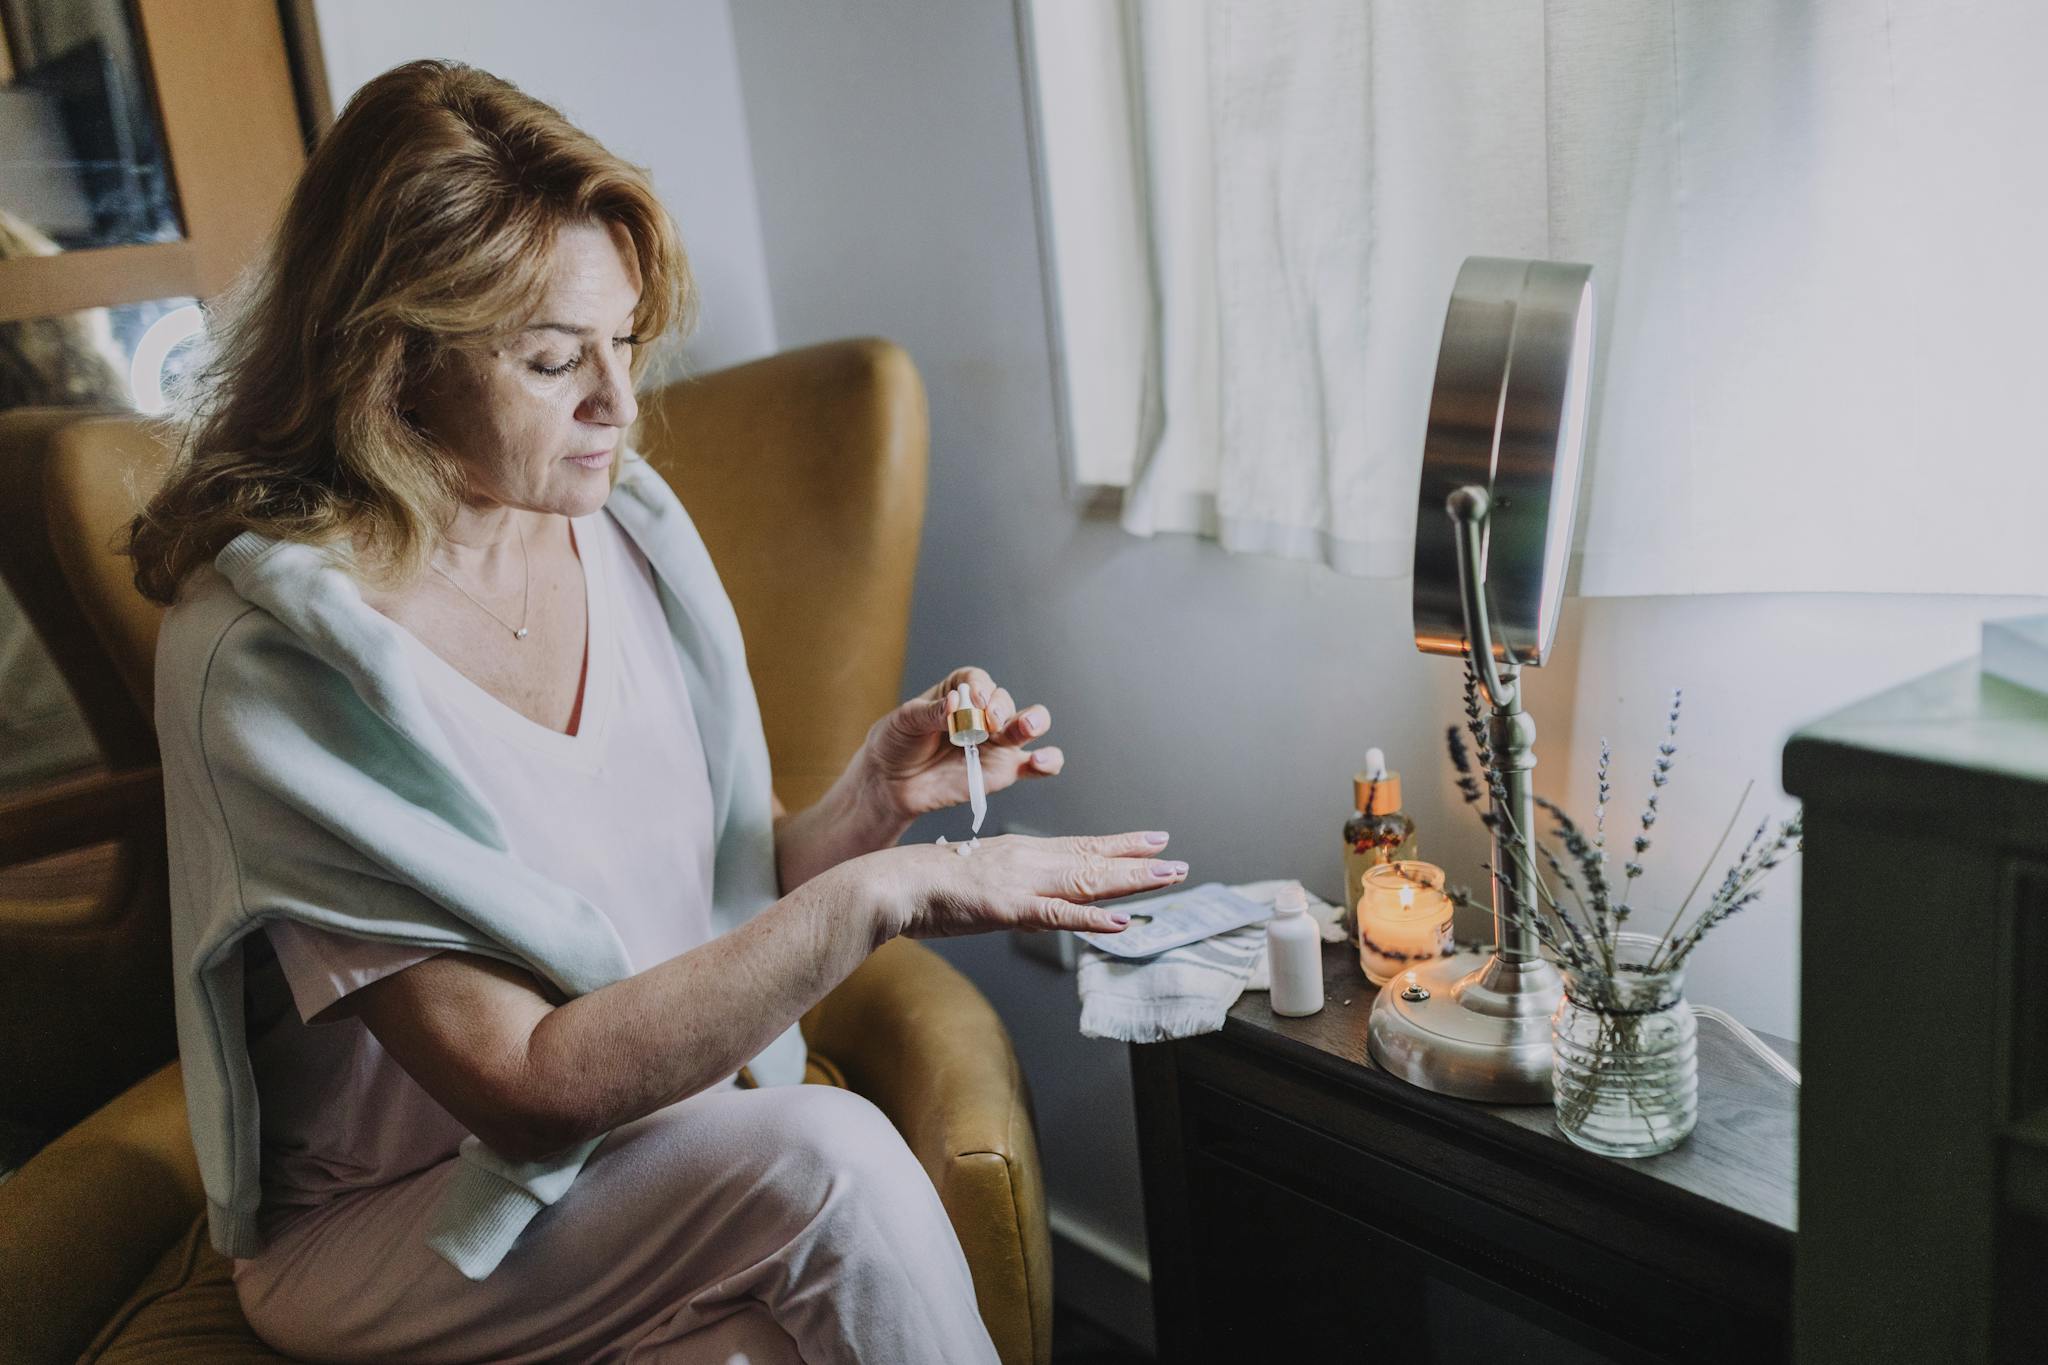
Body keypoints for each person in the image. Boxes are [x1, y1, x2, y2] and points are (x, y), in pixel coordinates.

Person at [124, 60, 1184, 1364]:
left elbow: (719, 900)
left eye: (623, 341)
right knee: (832, 1162)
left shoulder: (630, 534)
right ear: (393, 363)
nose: (619, 406)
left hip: (642, 1155)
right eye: (554, 358)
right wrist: (884, 896)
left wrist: (865, 810)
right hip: (398, 1225)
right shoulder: (272, 658)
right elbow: (525, 1088)